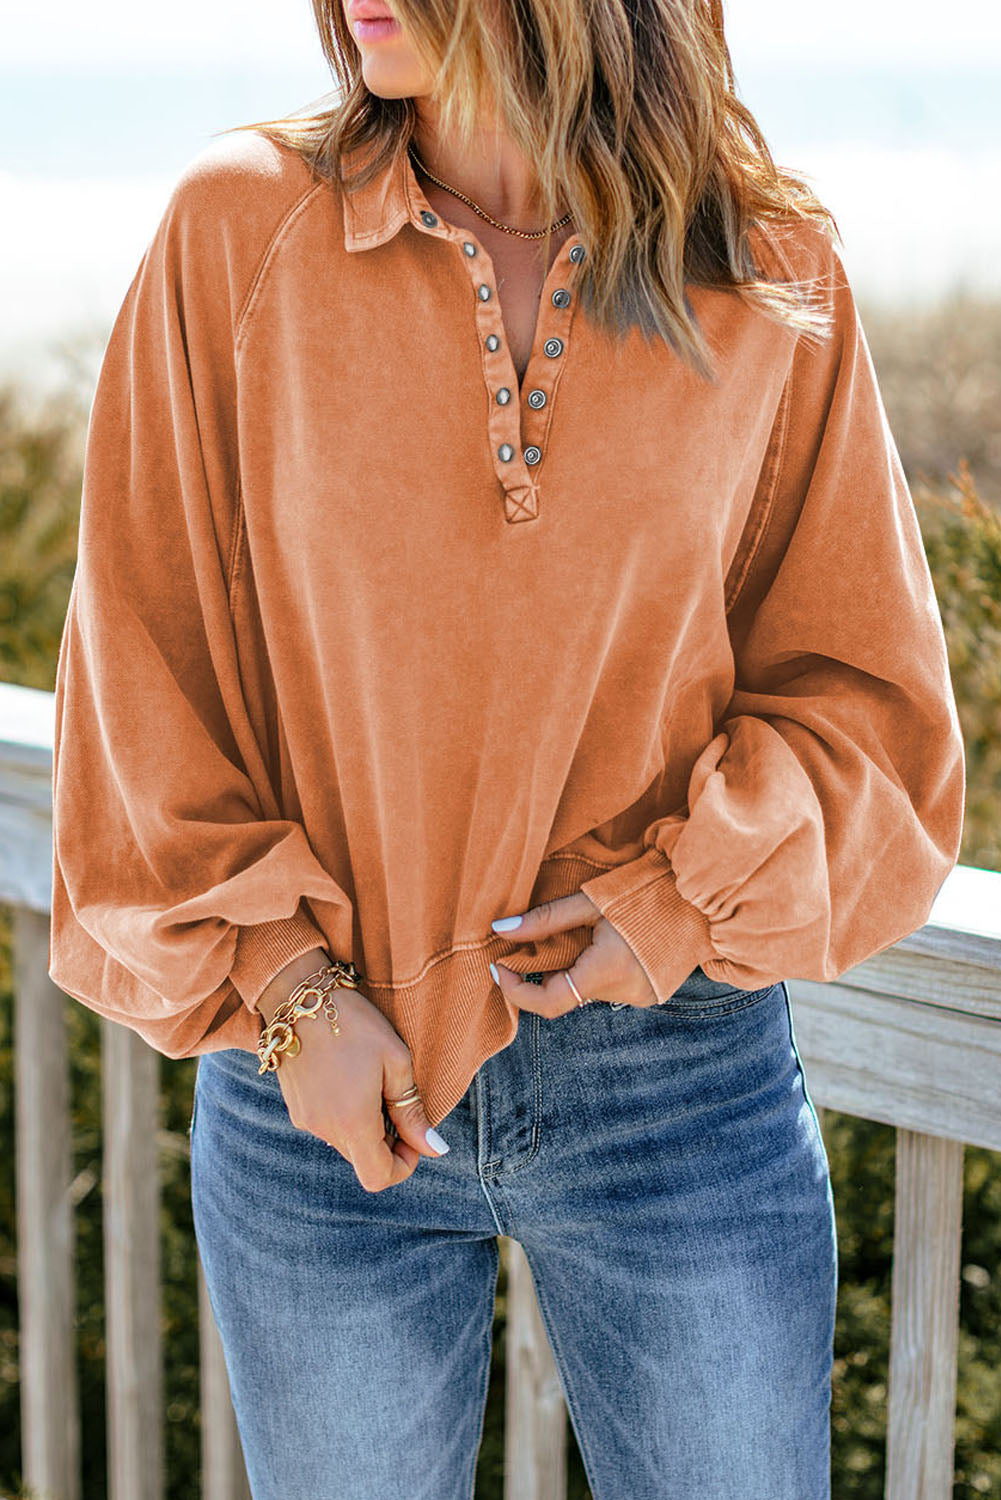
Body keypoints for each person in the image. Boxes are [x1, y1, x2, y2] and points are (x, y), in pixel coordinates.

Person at [47, 0, 967, 1495]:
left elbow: (866, 702)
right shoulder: (242, 229)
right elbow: (143, 667)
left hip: (676, 1081)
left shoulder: (766, 268)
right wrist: (286, 990)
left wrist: (672, 901)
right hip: (325, 1088)